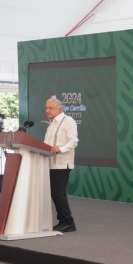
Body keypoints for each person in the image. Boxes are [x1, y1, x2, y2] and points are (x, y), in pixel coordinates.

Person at [43, 98, 79, 232]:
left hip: (62, 163)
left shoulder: (68, 121)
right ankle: (63, 221)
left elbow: (74, 141)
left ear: (60, 109)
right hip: (50, 164)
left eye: (50, 108)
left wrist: (60, 149)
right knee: (57, 193)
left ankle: (69, 222)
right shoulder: (50, 124)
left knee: (57, 193)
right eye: (46, 108)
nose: (47, 110)